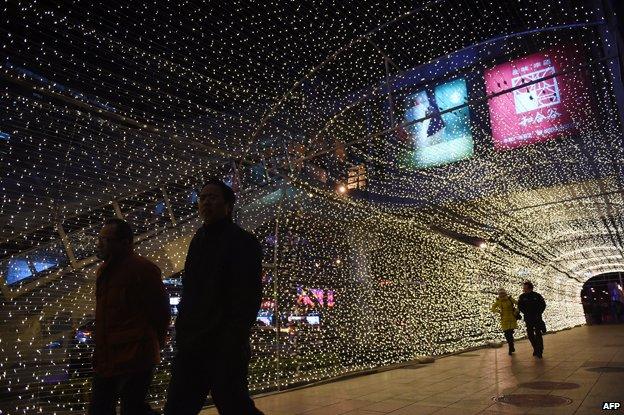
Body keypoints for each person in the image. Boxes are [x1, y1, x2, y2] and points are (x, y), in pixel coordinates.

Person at [164, 178, 264, 415]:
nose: (206, 202)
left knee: (233, 404)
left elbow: (248, 295)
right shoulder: (198, 239)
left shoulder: (243, 241)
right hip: (192, 343)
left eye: (213, 197)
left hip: (223, 343)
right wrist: (183, 329)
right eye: (202, 197)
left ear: (228, 205)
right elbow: (190, 290)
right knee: (178, 406)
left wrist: (233, 336)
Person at [89, 218, 171, 415]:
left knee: (131, 409)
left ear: (125, 243)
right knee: (102, 408)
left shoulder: (143, 270)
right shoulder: (103, 271)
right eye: (99, 238)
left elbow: (160, 312)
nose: (99, 243)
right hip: (108, 356)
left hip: (135, 356)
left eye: (105, 239)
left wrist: (152, 344)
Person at [518, 281, 546, 358]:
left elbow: (543, 305)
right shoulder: (522, 297)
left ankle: (539, 351)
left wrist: (539, 313)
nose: (523, 289)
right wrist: (525, 312)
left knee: (538, 334)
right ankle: (536, 348)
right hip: (528, 318)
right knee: (530, 335)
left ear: (530, 288)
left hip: (537, 318)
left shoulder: (537, 296)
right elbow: (520, 306)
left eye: (525, 288)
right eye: (523, 288)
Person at [491, 288, 519, 355]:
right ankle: (511, 346)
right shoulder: (498, 301)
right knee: (507, 334)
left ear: (505, 293)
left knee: (510, 333)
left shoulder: (510, 299)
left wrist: (516, 311)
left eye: (503, 293)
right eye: (500, 294)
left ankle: (511, 347)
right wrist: (498, 311)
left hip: (511, 319)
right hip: (504, 320)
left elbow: (518, 304)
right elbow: (492, 308)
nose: (502, 295)